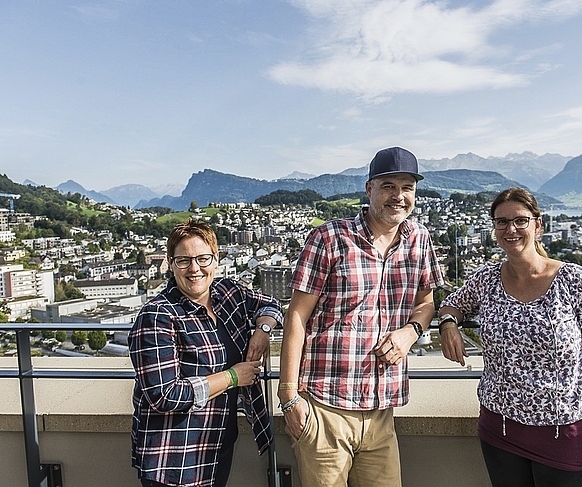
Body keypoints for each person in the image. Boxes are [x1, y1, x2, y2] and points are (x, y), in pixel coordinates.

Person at [438, 187, 582, 487]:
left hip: (566, 436)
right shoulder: (486, 279)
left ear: (538, 225)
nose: (511, 229)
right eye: (501, 222)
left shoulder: (574, 282)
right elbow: (451, 304)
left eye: (520, 220)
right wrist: (449, 324)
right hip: (500, 431)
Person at [278, 146, 444, 487]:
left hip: (382, 410)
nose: (398, 196)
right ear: (369, 189)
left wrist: (410, 333)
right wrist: (288, 396)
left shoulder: (420, 241)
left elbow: (426, 303)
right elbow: (296, 315)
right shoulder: (329, 238)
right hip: (325, 407)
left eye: (407, 187)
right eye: (388, 186)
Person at [129, 219, 283, 487]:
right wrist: (233, 377)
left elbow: (271, 304)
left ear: (216, 259)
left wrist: (263, 330)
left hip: (217, 445)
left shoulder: (227, 293)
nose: (194, 269)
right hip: (175, 458)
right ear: (171, 263)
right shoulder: (157, 316)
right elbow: (164, 395)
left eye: (203, 258)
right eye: (184, 260)